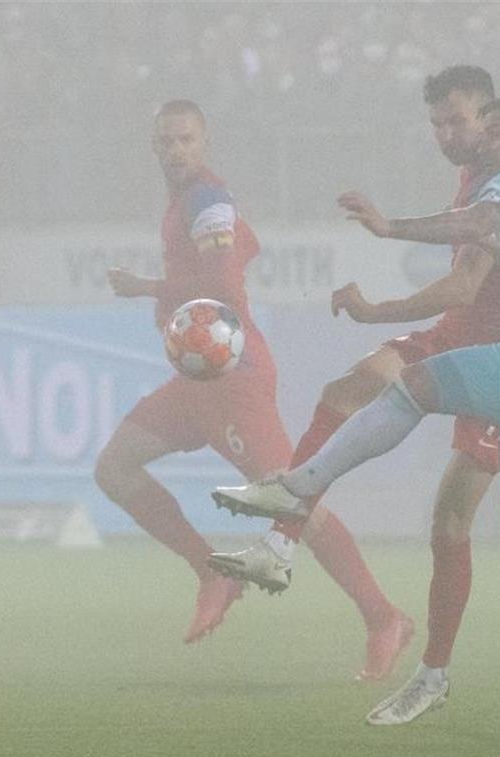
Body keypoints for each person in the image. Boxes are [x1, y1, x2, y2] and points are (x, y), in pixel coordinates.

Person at [213, 92, 500, 731]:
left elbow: (474, 228)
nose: (487, 140)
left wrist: (388, 226)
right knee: (415, 386)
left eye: (497, 129)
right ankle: (298, 490)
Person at [94, 99, 410, 681]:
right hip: (195, 383)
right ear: (153, 147)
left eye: (186, 139)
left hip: (233, 382)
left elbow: (220, 284)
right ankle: (210, 572)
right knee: (115, 469)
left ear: (205, 142)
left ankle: (383, 617)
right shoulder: (185, 202)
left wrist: (146, 288)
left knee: (294, 505)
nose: (175, 150)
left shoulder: (207, 200)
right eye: (165, 141)